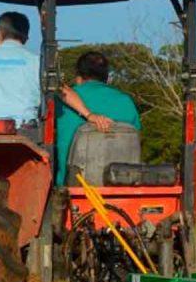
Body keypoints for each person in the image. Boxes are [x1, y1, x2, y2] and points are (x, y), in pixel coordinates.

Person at [0, 12, 110, 138]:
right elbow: (64, 92)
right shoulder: (37, 61)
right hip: (24, 132)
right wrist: (88, 114)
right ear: (26, 38)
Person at [55, 51, 141, 186]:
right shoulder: (126, 101)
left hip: (72, 187)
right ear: (107, 78)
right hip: (120, 186)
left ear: (79, 77)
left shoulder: (62, 101)